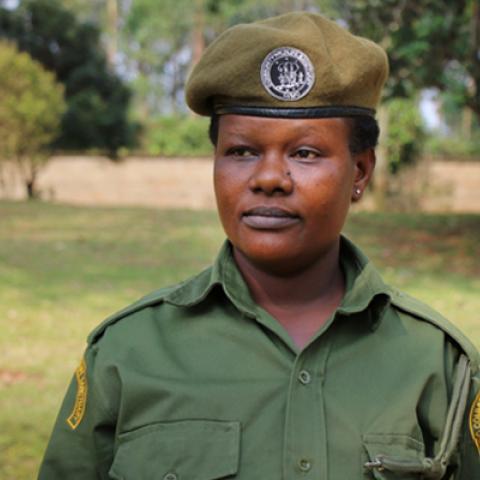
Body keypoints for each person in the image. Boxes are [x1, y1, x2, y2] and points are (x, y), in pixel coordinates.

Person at [39, 12, 480, 479]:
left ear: (361, 172)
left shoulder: (437, 362)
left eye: (305, 153)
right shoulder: (126, 355)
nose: (269, 178)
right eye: (242, 151)